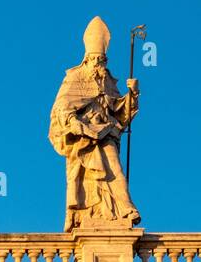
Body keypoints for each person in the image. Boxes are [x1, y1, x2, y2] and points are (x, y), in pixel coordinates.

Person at [49, 16, 140, 231]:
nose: (99, 64)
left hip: (106, 133)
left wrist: (133, 93)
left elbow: (121, 115)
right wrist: (77, 125)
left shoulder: (109, 81)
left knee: (114, 167)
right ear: (87, 59)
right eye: (96, 59)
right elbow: (62, 107)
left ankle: (123, 207)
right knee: (90, 178)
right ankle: (107, 211)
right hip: (83, 139)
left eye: (102, 60)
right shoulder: (75, 78)